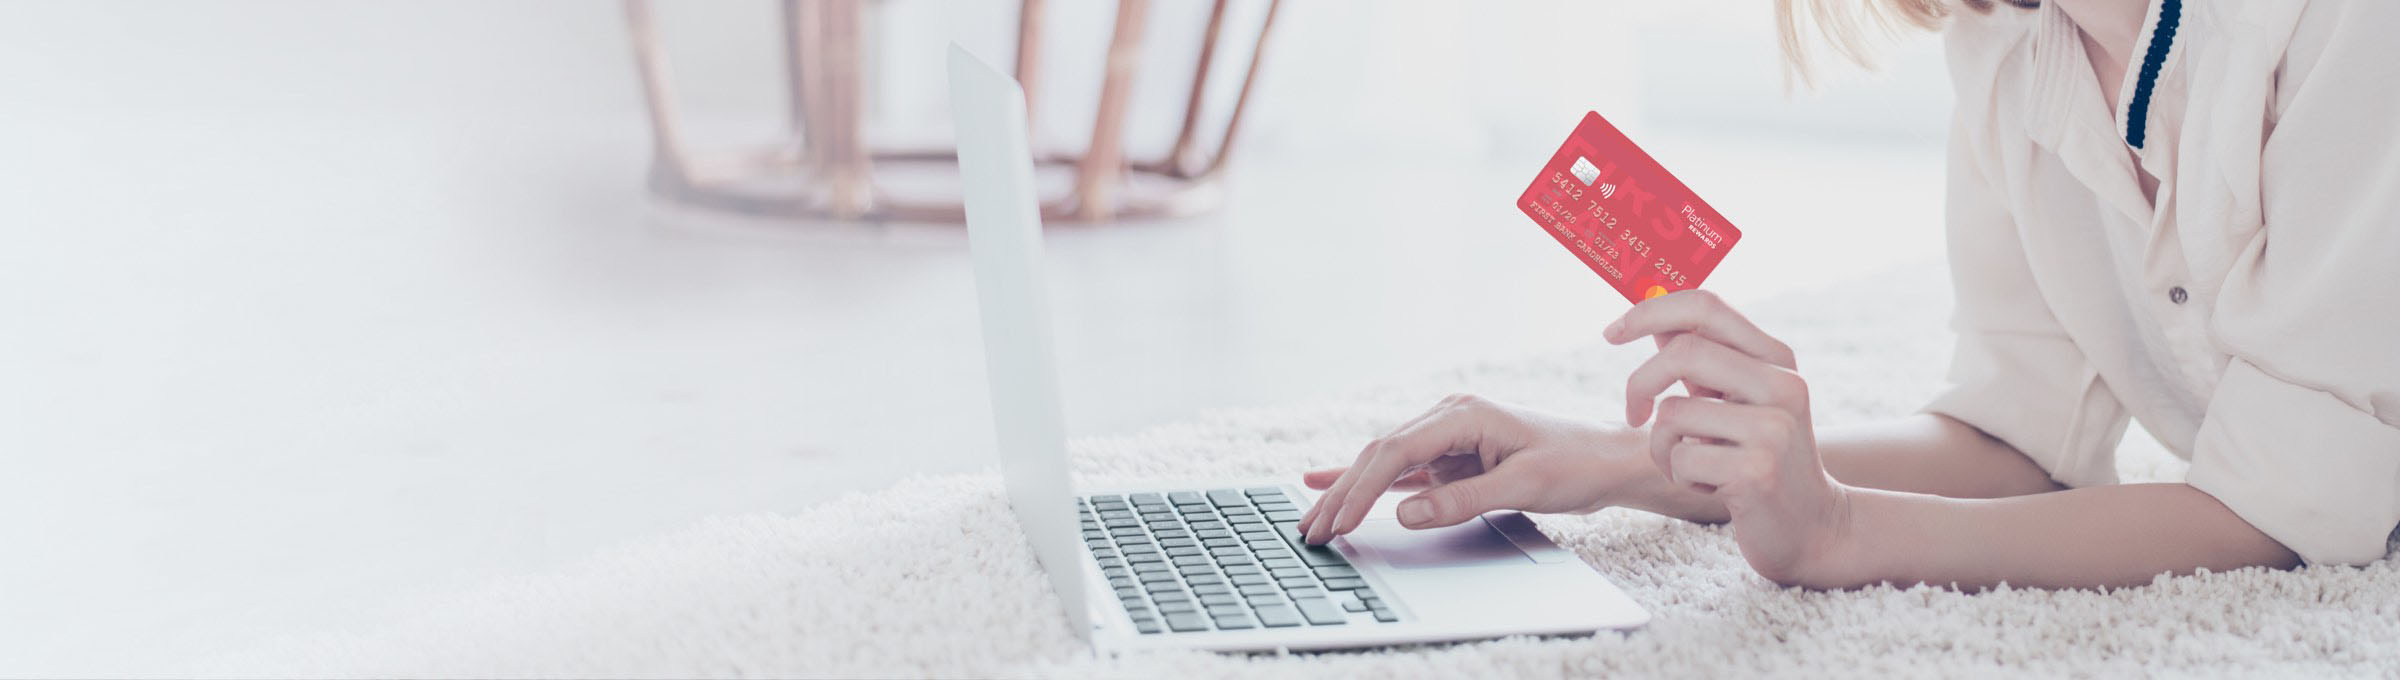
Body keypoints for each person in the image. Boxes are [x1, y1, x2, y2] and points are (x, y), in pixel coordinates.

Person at [1297, 0, 2400, 590]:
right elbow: (2015, 438)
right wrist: (1616, 460)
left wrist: (1842, 532)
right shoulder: (2013, 48)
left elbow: (2280, 511)